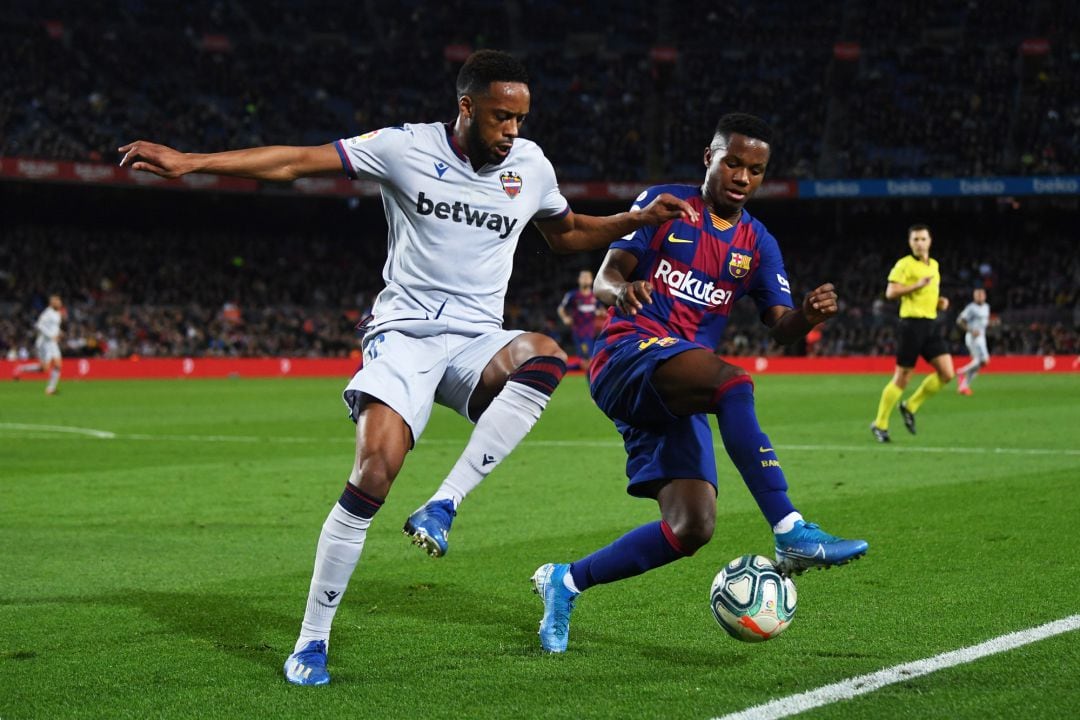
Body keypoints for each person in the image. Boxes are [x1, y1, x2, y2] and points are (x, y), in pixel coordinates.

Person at [118, 50, 697, 685]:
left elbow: (567, 233)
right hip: (404, 338)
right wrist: (191, 163)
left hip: (477, 341)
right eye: (502, 117)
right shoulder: (402, 148)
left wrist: (632, 220)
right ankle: (311, 642)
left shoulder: (530, 166)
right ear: (466, 107)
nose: (513, 131)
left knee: (546, 355)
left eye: (522, 119)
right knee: (373, 473)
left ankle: (444, 505)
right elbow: (295, 161)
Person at [530, 113, 868, 653]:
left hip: (676, 381)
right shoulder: (666, 204)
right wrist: (625, 292)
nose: (742, 176)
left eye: (755, 169)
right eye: (732, 161)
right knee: (734, 383)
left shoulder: (758, 242)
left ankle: (564, 582)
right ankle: (790, 530)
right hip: (626, 355)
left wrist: (806, 314)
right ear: (708, 158)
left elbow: (782, 330)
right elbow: (606, 277)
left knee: (691, 527)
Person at [870, 224, 954, 443]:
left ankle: (910, 406)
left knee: (947, 373)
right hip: (911, 325)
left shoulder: (934, 265)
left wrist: (939, 302)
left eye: (922, 239)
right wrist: (916, 285)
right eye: (915, 239)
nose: (919, 243)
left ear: (930, 241)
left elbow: (928, 295)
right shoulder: (904, 265)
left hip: (931, 325)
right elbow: (890, 292)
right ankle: (880, 424)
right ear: (910, 243)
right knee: (903, 377)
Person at [13, 294, 64, 395]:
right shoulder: (47, 313)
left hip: (52, 343)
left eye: (59, 301)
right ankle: (21, 368)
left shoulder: (58, 313)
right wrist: (51, 335)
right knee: (44, 369)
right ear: (52, 303)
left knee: (58, 365)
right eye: (57, 301)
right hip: (44, 343)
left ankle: (50, 389)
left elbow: (54, 326)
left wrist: (59, 333)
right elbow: (39, 325)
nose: (60, 303)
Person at [556, 269, 601, 370]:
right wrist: (565, 318)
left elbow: (601, 310)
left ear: (591, 280)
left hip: (592, 333)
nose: (585, 280)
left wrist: (600, 313)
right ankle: (562, 368)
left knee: (589, 360)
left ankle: (563, 368)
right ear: (579, 280)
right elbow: (561, 308)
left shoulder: (595, 296)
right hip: (579, 332)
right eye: (583, 277)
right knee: (587, 360)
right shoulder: (572, 295)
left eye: (587, 277)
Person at [955, 288, 990, 395]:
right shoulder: (971, 308)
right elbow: (959, 321)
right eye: (977, 295)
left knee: (979, 364)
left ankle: (963, 386)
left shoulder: (987, 307)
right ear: (974, 297)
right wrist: (971, 330)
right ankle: (961, 372)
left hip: (982, 338)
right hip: (973, 338)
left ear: (985, 296)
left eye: (981, 295)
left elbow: (983, 322)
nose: (979, 297)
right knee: (984, 360)